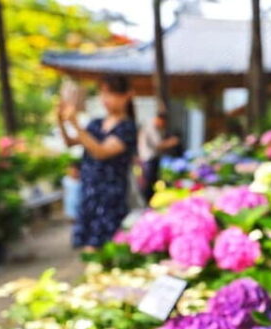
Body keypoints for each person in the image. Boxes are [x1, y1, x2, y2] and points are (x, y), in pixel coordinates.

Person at [58, 75, 137, 252]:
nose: (105, 99)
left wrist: (75, 124)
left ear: (127, 95)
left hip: (111, 197)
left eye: (111, 93)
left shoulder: (127, 127)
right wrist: (61, 120)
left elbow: (101, 152)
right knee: (90, 246)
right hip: (90, 193)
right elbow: (71, 142)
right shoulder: (96, 124)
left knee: (104, 247)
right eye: (103, 93)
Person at [138, 112, 180, 202]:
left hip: (150, 158)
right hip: (149, 158)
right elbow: (158, 145)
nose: (163, 125)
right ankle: (147, 201)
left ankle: (149, 200)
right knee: (148, 182)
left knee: (152, 181)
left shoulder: (153, 127)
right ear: (158, 119)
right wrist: (172, 142)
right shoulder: (151, 128)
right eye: (163, 122)